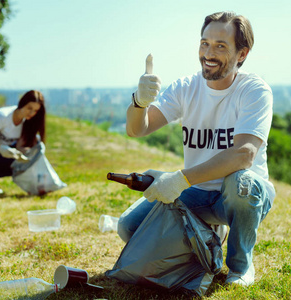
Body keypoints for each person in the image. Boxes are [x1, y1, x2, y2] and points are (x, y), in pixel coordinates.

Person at [118, 11, 276, 287]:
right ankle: (205, 240)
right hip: (198, 193)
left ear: (242, 54)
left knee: (243, 182)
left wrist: (179, 179)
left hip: (238, 195)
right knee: (128, 227)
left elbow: (244, 154)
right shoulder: (186, 87)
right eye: (204, 43)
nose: (209, 53)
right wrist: (139, 102)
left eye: (220, 46)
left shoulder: (254, 90)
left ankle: (240, 268)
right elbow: (137, 129)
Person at [0, 90, 46, 194]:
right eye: (29, 108)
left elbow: (19, 146)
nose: (31, 113)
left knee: (27, 161)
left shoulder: (26, 122)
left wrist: (25, 151)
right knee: (17, 165)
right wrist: (0, 149)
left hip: (5, 153)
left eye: (35, 111)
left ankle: (38, 185)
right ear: (22, 104)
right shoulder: (2, 116)